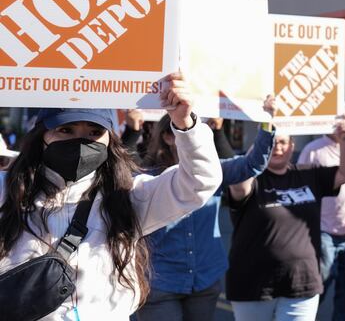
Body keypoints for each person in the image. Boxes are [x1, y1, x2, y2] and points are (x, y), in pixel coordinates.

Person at [0, 72, 222, 319]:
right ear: (41, 137)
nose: (81, 142)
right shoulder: (7, 192)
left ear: (109, 140)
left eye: (95, 132)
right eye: (66, 129)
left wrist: (186, 124)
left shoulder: (128, 197)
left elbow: (199, 182)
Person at [134, 97, 276, 321]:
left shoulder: (214, 172)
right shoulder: (146, 179)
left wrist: (267, 120)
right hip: (160, 283)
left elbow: (253, 163)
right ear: (168, 136)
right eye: (183, 129)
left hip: (204, 278)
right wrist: (131, 130)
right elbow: (116, 174)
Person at [225, 118, 345, 321]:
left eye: (283, 142)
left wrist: (344, 139)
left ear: (292, 146)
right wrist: (262, 135)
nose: (277, 147)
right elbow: (238, 184)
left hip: (302, 283)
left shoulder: (308, 174)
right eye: (273, 142)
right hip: (252, 284)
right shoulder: (252, 179)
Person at [297, 113, 345, 321]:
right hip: (325, 232)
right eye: (338, 117)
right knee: (317, 289)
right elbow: (300, 189)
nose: (342, 123)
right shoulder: (312, 150)